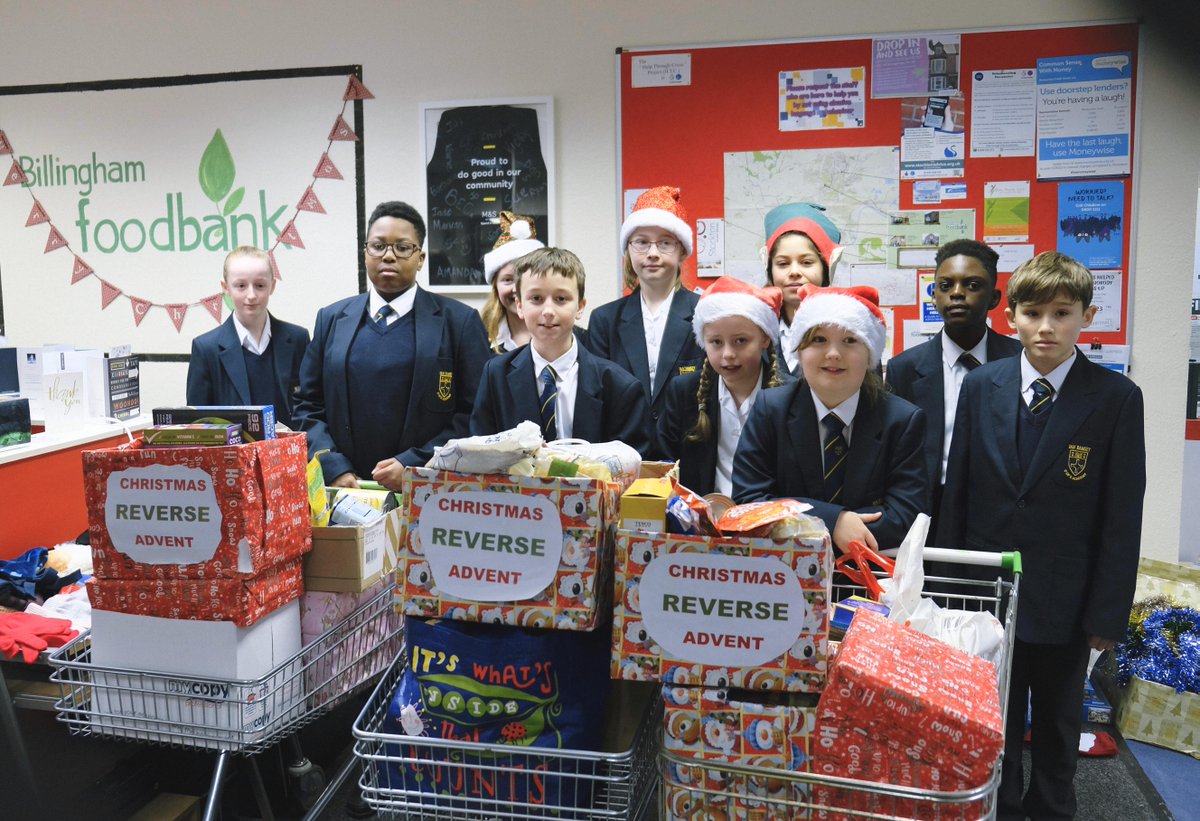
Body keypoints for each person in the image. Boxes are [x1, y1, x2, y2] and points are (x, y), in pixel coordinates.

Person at [939, 251, 1146, 821]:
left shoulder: (1115, 399)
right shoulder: (983, 385)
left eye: (1062, 312)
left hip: (1068, 596)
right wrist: (949, 588)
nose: (1047, 326)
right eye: (1033, 313)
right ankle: (999, 806)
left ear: (1087, 314)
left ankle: (1052, 807)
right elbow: (958, 488)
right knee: (993, 714)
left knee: (1057, 721)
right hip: (990, 594)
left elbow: (1122, 515)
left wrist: (1108, 613)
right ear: (1011, 318)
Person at [293, 201, 491, 490]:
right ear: (365, 254)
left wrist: (417, 463)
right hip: (347, 489)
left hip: (427, 488)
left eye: (402, 247)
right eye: (378, 246)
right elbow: (307, 405)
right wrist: (332, 465)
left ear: (421, 257)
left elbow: (476, 413)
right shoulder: (332, 319)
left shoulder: (459, 322)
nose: (388, 256)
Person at [732, 286, 928, 553]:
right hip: (781, 571)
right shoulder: (770, 409)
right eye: (819, 340)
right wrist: (833, 521)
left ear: (870, 353)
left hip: (867, 575)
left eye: (849, 341)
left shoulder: (902, 420)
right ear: (799, 351)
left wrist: (828, 529)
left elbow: (907, 516)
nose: (833, 353)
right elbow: (749, 501)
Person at [884, 239, 1022, 521]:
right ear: (934, 296)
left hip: (999, 509)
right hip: (928, 509)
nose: (957, 294)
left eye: (972, 285)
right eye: (946, 286)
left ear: (994, 299)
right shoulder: (904, 368)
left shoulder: (1020, 361)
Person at [470, 247, 649, 452]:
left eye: (561, 299)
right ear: (519, 306)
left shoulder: (619, 386)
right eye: (536, 298)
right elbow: (480, 454)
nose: (548, 311)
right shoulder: (495, 375)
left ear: (580, 307)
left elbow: (631, 465)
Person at [586, 186, 704, 454]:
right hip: (621, 455)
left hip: (688, 455)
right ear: (628, 249)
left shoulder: (705, 314)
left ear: (682, 251)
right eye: (641, 242)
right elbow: (597, 398)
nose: (652, 253)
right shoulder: (604, 320)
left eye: (665, 242)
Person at [658, 276, 793, 496]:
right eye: (716, 343)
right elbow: (665, 468)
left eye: (741, 341)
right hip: (700, 522)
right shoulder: (683, 392)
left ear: (765, 339)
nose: (728, 354)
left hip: (769, 521)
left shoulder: (791, 396)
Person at [186, 246, 310, 427]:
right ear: (225, 287)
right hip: (233, 454)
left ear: (272, 285)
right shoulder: (206, 349)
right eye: (241, 286)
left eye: (260, 285)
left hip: (292, 453)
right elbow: (198, 426)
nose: (251, 295)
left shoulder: (298, 339)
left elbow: (311, 406)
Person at [763, 202, 844, 374]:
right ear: (770, 270)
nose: (794, 272)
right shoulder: (754, 329)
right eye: (783, 263)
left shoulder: (850, 330)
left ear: (826, 268)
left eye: (806, 263)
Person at [480, 211, 544, 353]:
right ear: (495, 286)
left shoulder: (567, 336)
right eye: (508, 280)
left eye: (526, 278)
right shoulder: (478, 337)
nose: (517, 288)